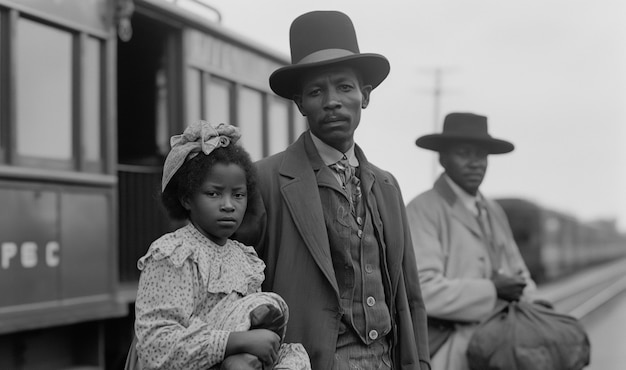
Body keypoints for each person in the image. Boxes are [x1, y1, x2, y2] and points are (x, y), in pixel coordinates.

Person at [234, 10, 430, 370]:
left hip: (386, 359)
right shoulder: (265, 179)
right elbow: (234, 286)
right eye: (315, 91)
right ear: (300, 104)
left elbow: (410, 296)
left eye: (344, 87)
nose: (331, 101)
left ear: (365, 96)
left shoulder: (387, 185)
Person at [132, 121, 310, 370]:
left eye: (238, 195)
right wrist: (232, 342)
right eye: (213, 194)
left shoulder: (245, 259)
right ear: (186, 198)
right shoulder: (175, 254)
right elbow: (156, 345)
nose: (229, 205)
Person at [405, 112, 540, 370]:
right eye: (464, 153)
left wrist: (536, 303)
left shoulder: (493, 211)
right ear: (443, 158)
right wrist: (492, 290)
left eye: (481, 155)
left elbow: (519, 274)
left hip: (499, 348)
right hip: (448, 351)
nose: (475, 163)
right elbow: (423, 290)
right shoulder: (422, 210)